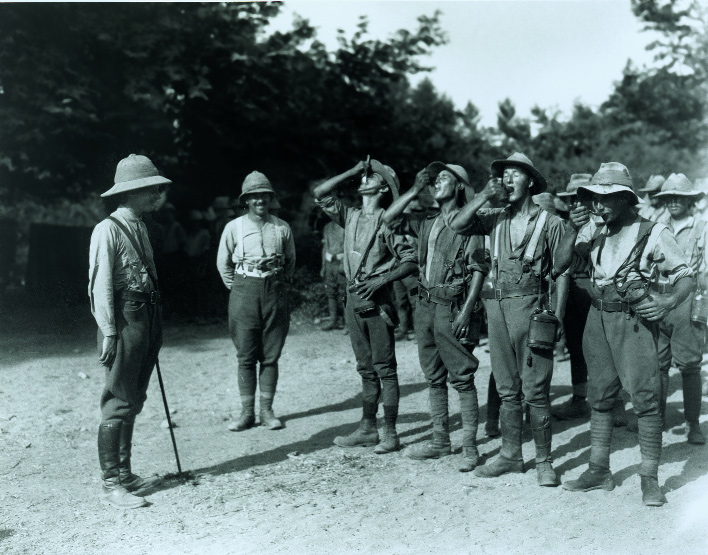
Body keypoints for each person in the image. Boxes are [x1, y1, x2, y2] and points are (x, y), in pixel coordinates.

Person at [555, 162, 693, 507]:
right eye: (593, 199)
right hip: (597, 317)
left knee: (645, 400)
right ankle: (599, 470)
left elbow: (685, 276)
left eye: (605, 198)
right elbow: (558, 265)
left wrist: (667, 301)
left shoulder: (653, 231)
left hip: (633, 321)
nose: (596, 206)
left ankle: (650, 478)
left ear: (624, 198)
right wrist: (572, 232)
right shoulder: (593, 228)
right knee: (599, 397)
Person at [448, 152, 566, 487]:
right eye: (505, 175)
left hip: (532, 310)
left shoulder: (551, 223)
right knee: (506, 388)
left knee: (536, 391)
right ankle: (511, 455)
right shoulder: (494, 216)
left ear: (530, 181)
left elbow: (561, 275)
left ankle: (544, 461)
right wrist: (485, 193)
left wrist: (556, 319)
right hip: (497, 310)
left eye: (516, 174)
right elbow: (456, 225)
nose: (509, 180)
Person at [383, 162, 489, 471]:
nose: (436, 183)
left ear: (458, 186)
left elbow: (479, 270)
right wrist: (414, 189)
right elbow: (389, 219)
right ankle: (440, 440)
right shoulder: (426, 221)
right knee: (434, 376)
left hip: (453, 307)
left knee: (462, 377)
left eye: (443, 178)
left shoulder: (471, 223)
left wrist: (468, 311)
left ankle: (469, 445)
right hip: (425, 305)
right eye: (434, 180)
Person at [314, 159, 416, 454]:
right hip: (352, 299)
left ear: (383, 187)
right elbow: (320, 193)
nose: (364, 178)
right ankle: (368, 428)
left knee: (385, 368)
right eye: (364, 175)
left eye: (372, 176)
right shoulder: (351, 215)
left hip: (377, 300)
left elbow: (411, 260)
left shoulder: (389, 219)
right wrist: (353, 170)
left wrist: (382, 279)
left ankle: (391, 433)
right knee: (365, 369)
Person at [88, 154, 170, 508]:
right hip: (123, 318)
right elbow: (99, 283)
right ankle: (111, 484)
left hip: (146, 315)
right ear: (132, 192)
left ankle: (125, 474)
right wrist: (108, 331)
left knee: (134, 397)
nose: (157, 194)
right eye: (150, 189)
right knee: (119, 399)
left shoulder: (139, 225)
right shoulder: (107, 229)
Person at [217, 171, 296, 432]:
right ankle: (246, 413)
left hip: (274, 290)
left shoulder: (281, 227)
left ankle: (267, 411)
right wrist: (239, 287)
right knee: (246, 356)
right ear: (246, 200)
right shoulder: (234, 227)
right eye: (254, 196)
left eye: (264, 195)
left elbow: (290, 261)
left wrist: (279, 285)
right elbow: (223, 263)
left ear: (270, 198)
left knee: (271, 355)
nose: (259, 200)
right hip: (244, 290)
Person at [653, 174, 707, 444]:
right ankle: (658, 419)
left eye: (680, 198)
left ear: (690, 201)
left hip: (686, 301)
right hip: (657, 298)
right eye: (668, 198)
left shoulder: (702, 228)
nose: (673, 202)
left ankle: (692, 423)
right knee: (658, 364)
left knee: (689, 365)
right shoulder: (656, 227)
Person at [550, 174, 595, 421]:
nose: (575, 204)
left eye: (581, 198)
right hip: (568, 285)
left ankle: (613, 402)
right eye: (570, 199)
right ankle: (579, 399)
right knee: (575, 345)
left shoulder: (601, 223)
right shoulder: (562, 225)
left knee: (601, 345)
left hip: (592, 284)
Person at [320, 219, 347, 331]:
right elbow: (325, 247)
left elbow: (349, 247)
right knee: (331, 293)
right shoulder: (327, 226)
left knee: (344, 294)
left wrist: (345, 264)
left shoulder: (347, 226)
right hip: (329, 263)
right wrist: (323, 266)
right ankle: (333, 321)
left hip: (342, 263)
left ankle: (348, 324)